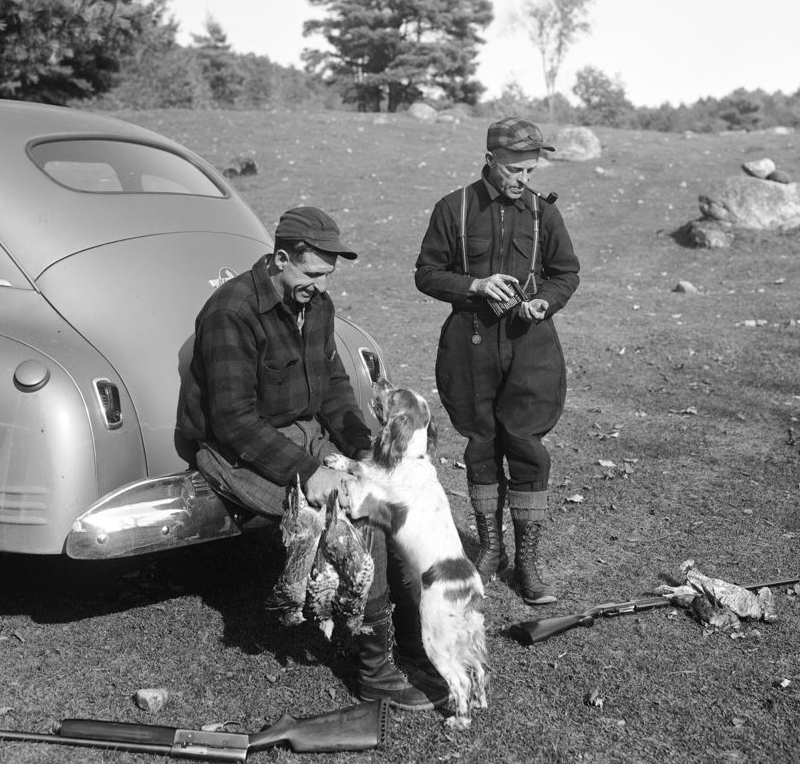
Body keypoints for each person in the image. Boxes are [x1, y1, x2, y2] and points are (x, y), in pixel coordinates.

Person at [180, 204, 447, 710]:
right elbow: (233, 422)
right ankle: (374, 669)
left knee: (385, 495)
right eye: (312, 274)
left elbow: (334, 388)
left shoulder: (316, 306)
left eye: (328, 276)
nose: (321, 287)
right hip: (235, 451)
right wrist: (310, 473)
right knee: (355, 512)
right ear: (281, 258)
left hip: (303, 433)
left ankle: (414, 644)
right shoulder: (231, 312)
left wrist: (362, 448)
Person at [414, 118, 580, 605]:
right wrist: (476, 285)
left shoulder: (544, 214)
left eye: (530, 170)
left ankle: (528, 562)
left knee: (526, 446)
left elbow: (565, 273)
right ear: (490, 161)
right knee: (482, 444)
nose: (522, 179)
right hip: (471, 344)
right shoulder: (454, 208)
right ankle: (491, 550)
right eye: (514, 169)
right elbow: (426, 273)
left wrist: (544, 301)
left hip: (532, 345)